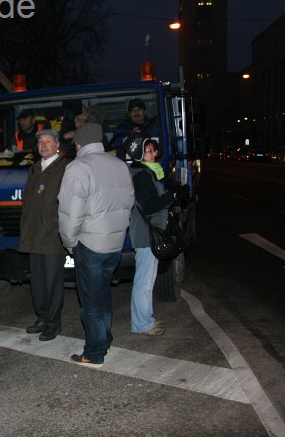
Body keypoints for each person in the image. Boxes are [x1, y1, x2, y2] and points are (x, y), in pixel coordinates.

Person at [58, 123, 134, 369]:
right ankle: (104, 339)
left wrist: (70, 242)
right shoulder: (119, 164)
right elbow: (129, 201)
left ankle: (94, 353)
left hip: (90, 243)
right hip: (114, 243)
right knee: (103, 295)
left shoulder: (78, 167)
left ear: (79, 143)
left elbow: (70, 212)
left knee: (91, 302)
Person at [125, 137, 182, 336]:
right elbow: (150, 206)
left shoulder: (147, 173)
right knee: (144, 281)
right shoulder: (141, 176)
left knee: (147, 280)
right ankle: (141, 324)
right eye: (149, 151)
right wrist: (171, 196)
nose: (155, 153)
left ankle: (145, 319)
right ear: (140, 154)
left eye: (154, 150)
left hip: (148, 233)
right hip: (146, 234)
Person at [19, 129, 70, 342]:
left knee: (53, 282)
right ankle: (42, 317)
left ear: (57, 145)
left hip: (52, 236)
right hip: (34, 235)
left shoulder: (65, 168)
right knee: (38, 282)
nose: (44, 145)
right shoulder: (34, 169)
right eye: (41, 142)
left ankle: (53, 322)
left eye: (48, 141)